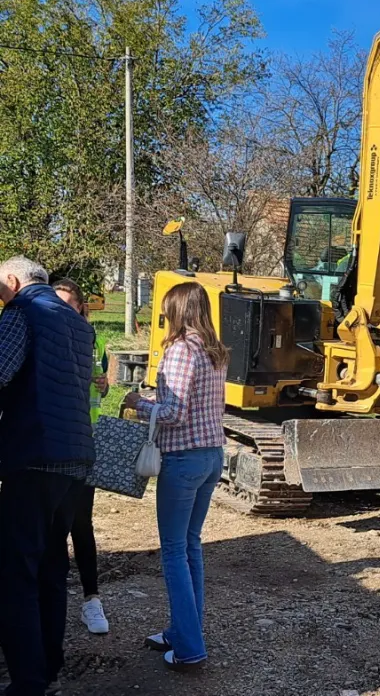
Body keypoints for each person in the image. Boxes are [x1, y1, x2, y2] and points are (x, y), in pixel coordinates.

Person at [0, 256, 95, 696]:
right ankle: (49, 664)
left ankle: (28, 681)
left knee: (16, 571)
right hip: (75, 460)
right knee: (52, 567)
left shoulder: (23, 311)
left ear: (13, 280)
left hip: (34, 454)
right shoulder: (78, 324)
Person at [124, 282, 227, 674]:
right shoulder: (215, 350)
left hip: (183, 459)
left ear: (179, 311)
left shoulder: (182, 349)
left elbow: (175, 412)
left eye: (167, 310)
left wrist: (139, 403)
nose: (164, 316)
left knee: (173, 551)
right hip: (211, 455)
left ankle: (189, 649)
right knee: (189, 546)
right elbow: (192, 405)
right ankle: (184, 633)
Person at [52, 278, 110, 635]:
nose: (61, 311)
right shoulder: (46, 339)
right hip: (51, 448)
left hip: (84, 443)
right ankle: (53, 602)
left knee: (81, 523)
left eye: (68, 304)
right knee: (53, 527)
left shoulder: (94, 340)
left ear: (80, 307)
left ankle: (92, 599)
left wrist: (104, 384)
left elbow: (102, 385)